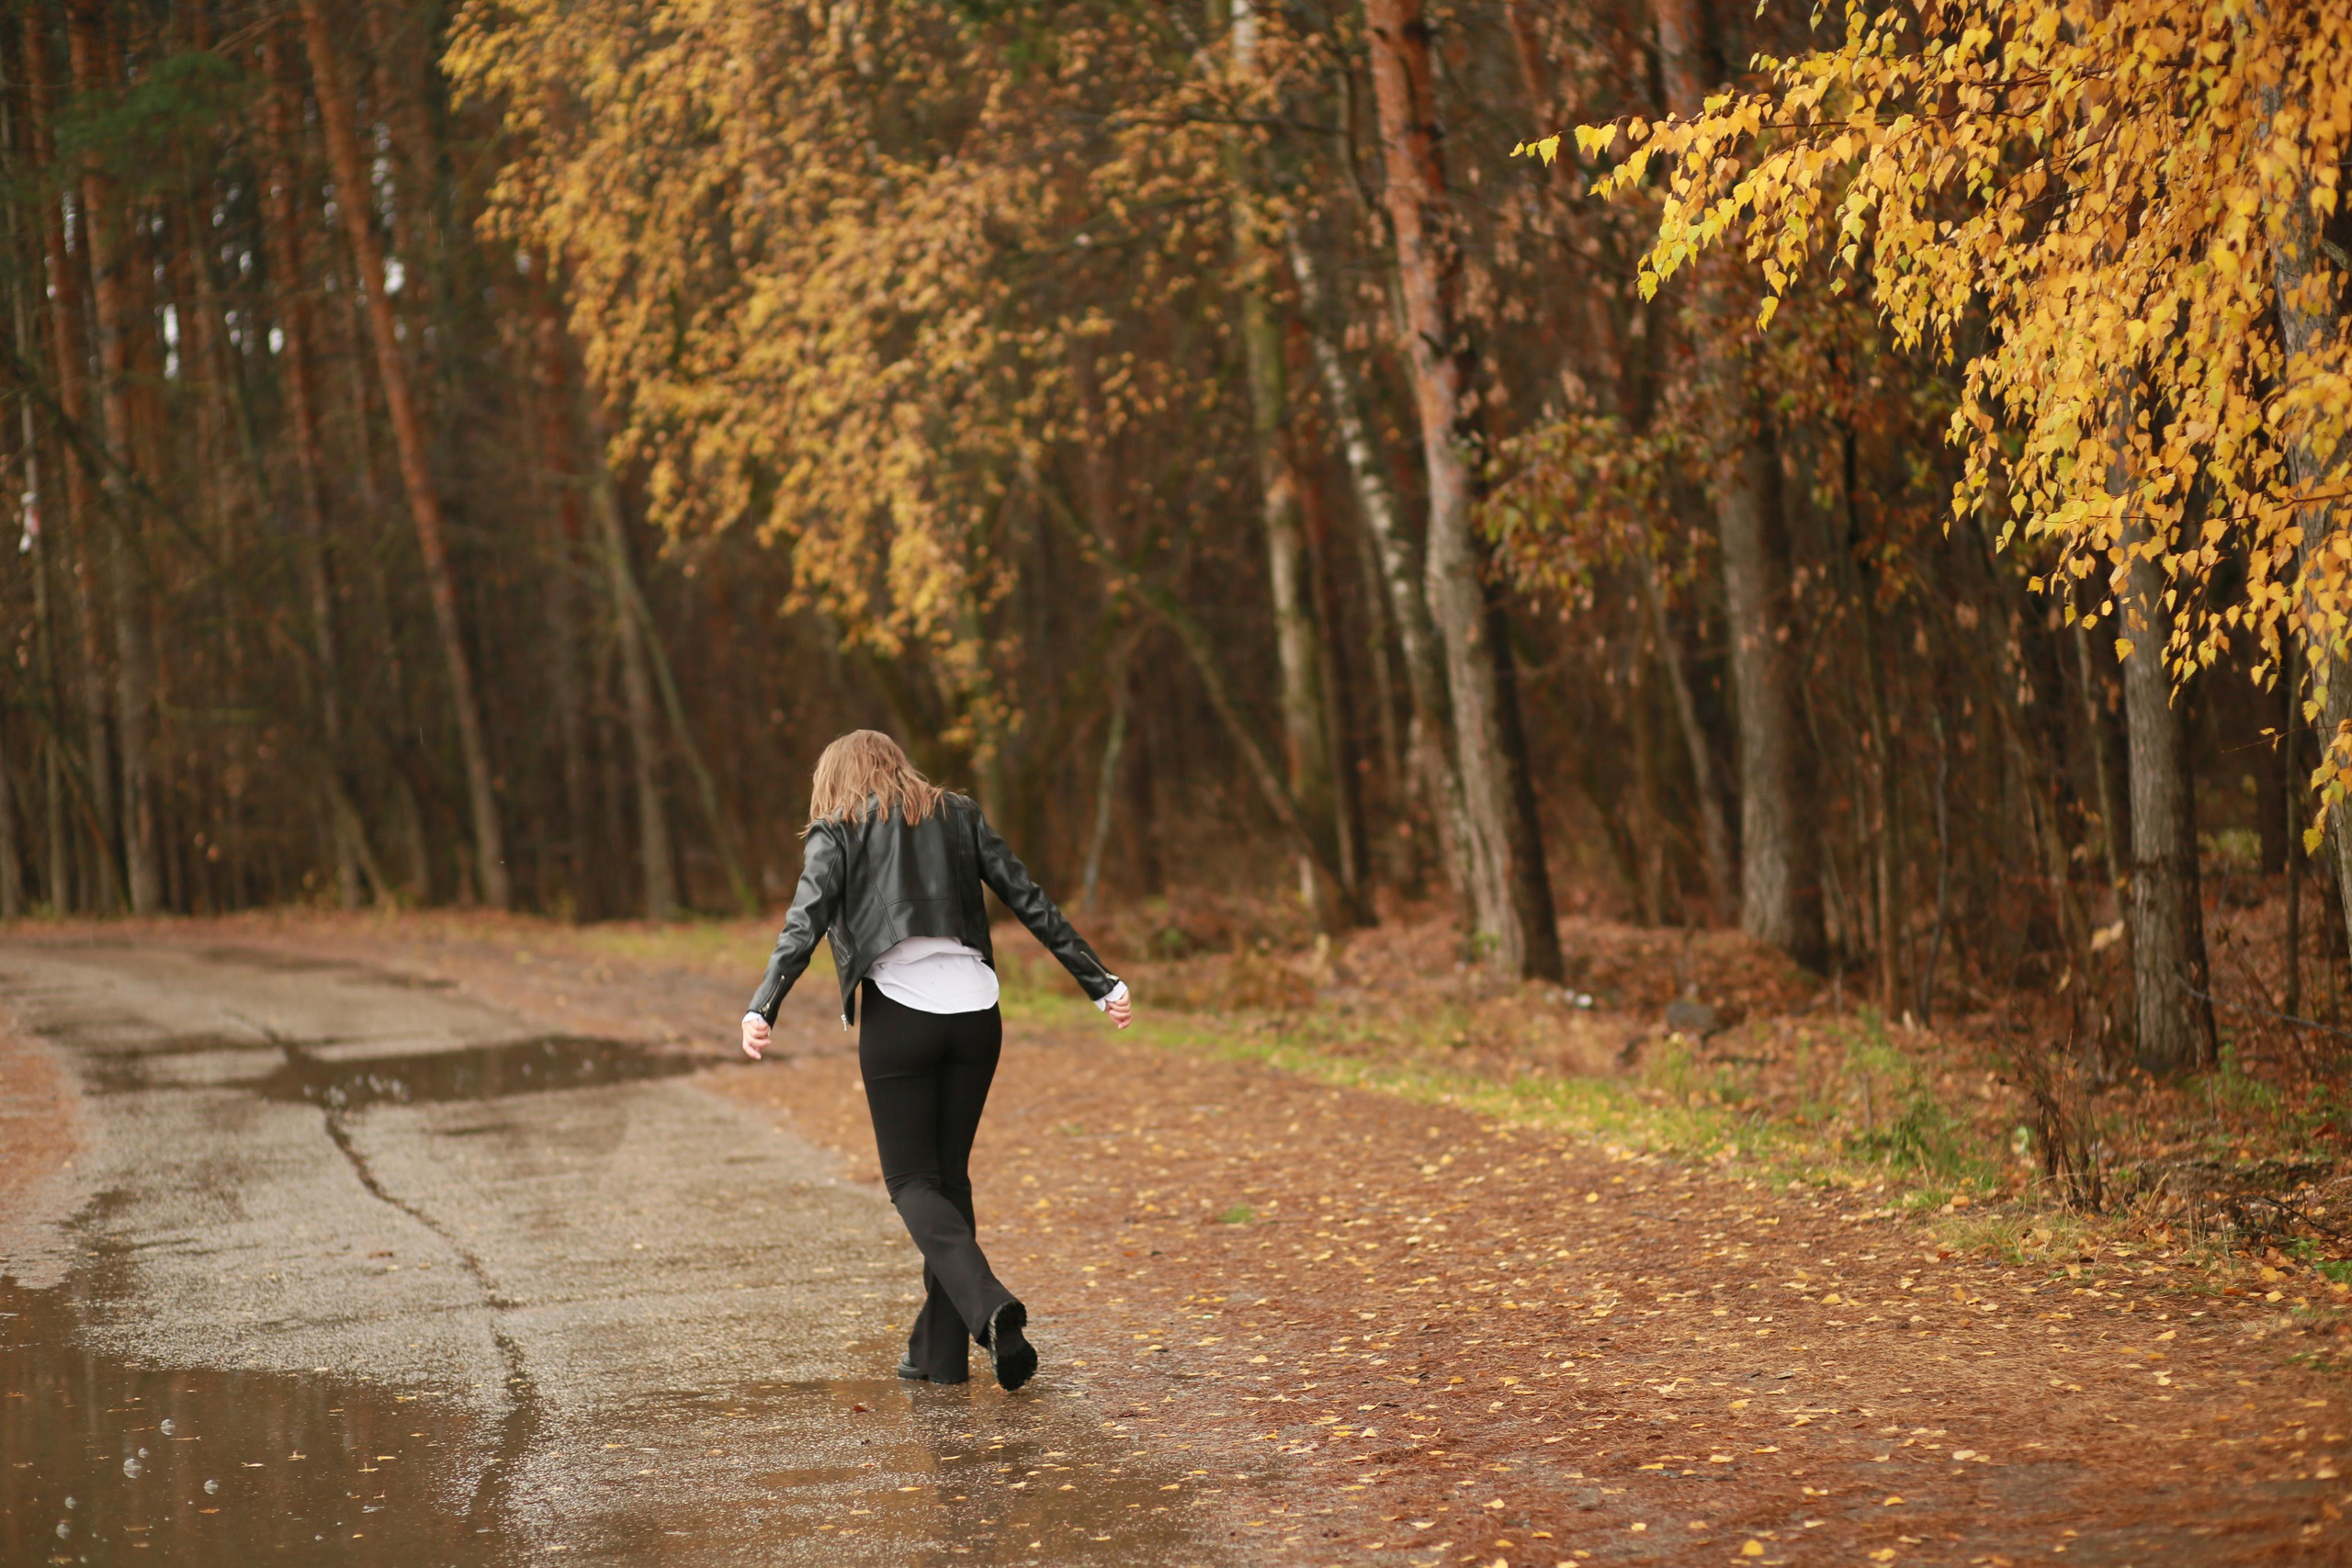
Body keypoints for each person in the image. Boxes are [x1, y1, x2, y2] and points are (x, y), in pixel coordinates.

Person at [740, 730, 1133, 1390]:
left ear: (835, 779)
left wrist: (763, 1006)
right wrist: (1100, 982)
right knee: (949, 1178)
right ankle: (939, 1356)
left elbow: (802, 923)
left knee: (911, 1183)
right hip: (979, 1014)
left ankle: (989, 1306)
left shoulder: (835, 830)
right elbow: (1029, 898)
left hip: (902, 1016)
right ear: (897, 764)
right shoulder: (958, 813)